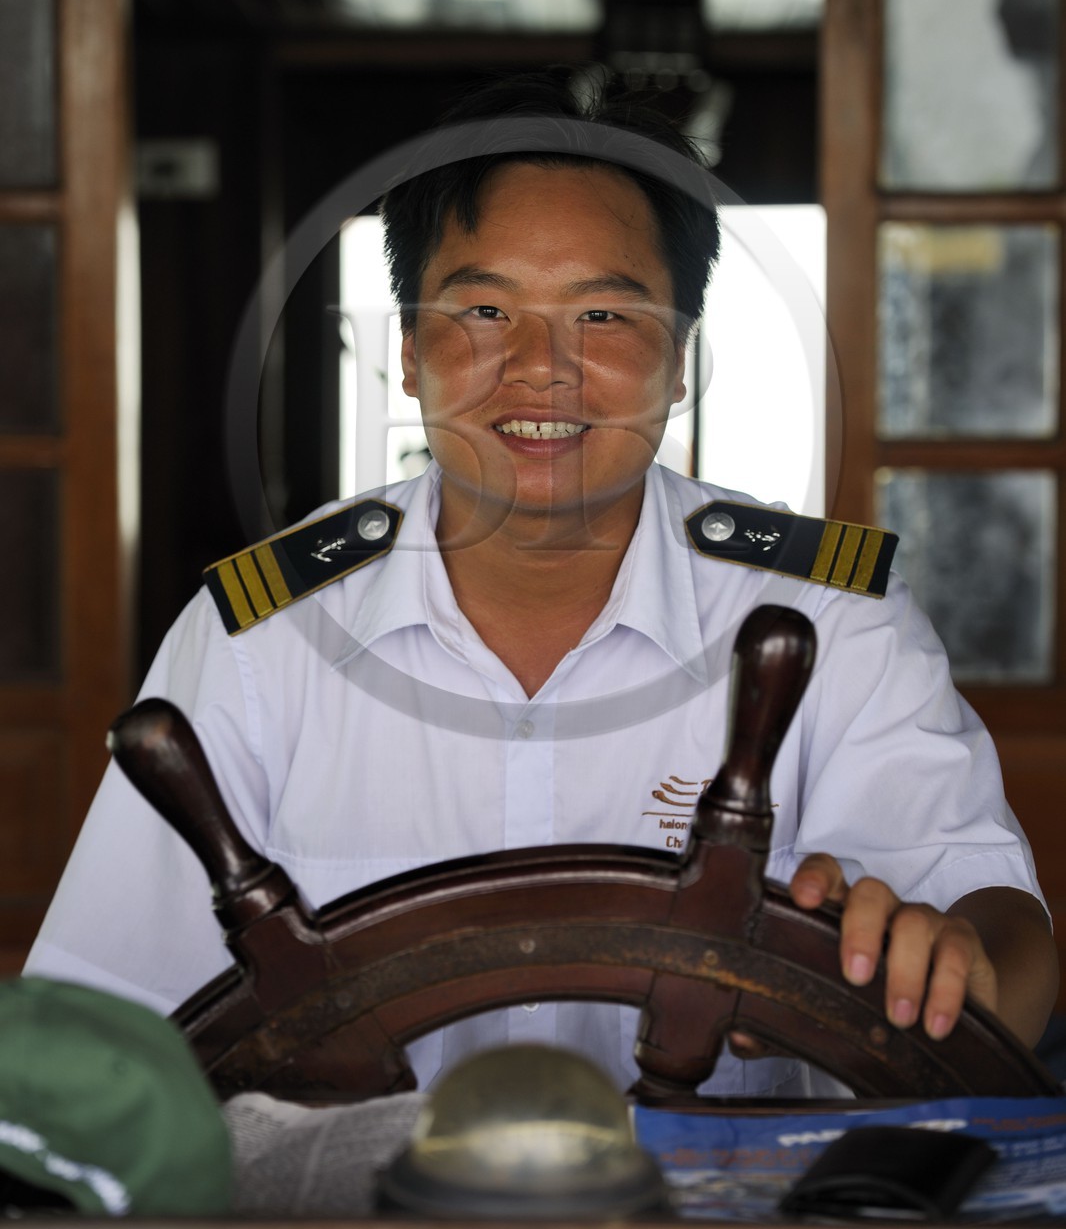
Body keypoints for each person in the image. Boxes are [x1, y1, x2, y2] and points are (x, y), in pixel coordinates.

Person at [25, 71, 1057, 1098]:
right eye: (481, 308)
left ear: (681, 360)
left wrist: (951, 958)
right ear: (411, 358)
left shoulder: (833, 616)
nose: (539, 368)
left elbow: (1003, 937)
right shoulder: (264, 634)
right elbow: (103, 1027)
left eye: (604, 315)